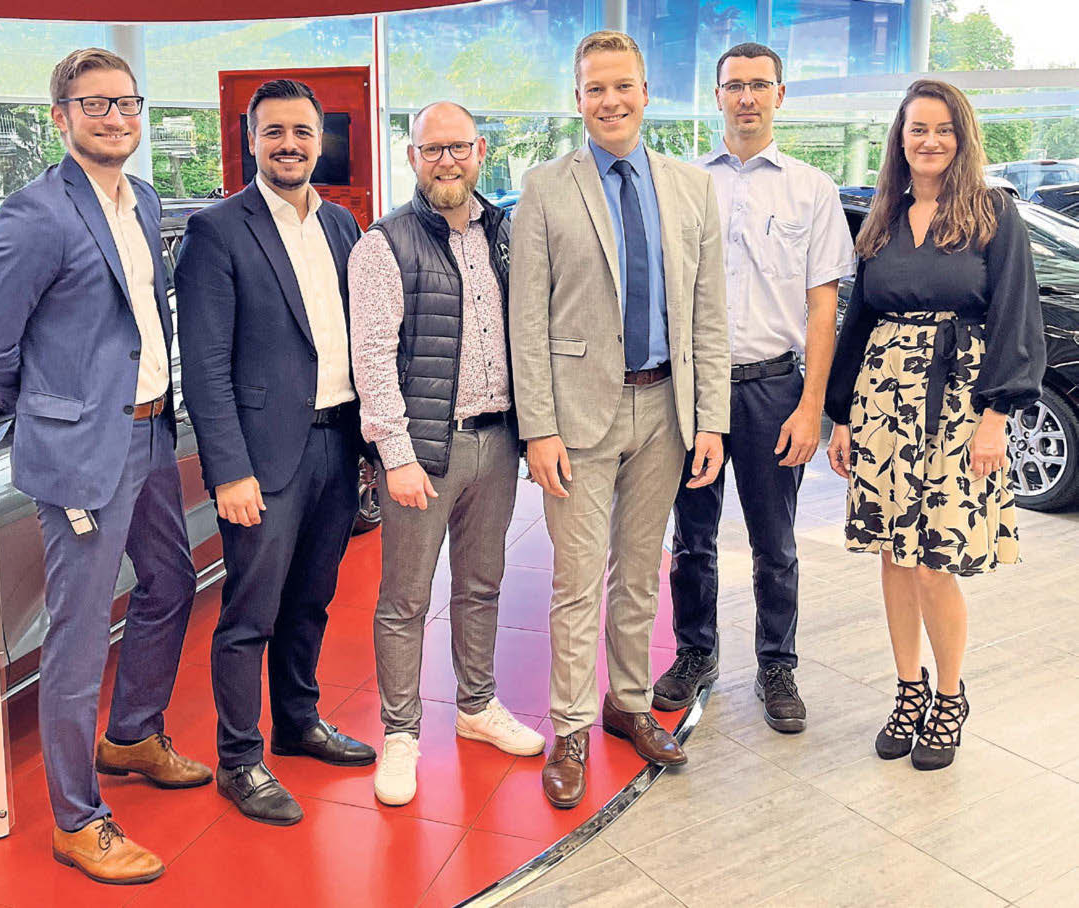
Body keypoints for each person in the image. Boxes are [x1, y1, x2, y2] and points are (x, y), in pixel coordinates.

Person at [0, 48, 210, 885]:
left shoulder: (142, 197)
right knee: (74, 639)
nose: (114, 118)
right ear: (59, 117)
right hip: (81, 451)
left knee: (171, 584)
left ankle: (132, 735)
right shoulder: (35, 213)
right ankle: (78, 820)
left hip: (147, 436)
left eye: (126, 104)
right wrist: (58, 408)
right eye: (93, 105)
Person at [510, 30, 730, 808]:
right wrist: (536, 428)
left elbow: (707, 312)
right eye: (594, 88)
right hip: (575, 420)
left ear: (646, 94)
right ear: (577, 99)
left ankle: (626, 704)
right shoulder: (543, 188)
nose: (609, 101)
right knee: (575, 582)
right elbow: (524, 320)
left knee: (638, 576)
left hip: (666, 411)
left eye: (622, 87)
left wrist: (711, 421)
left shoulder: (689, 187)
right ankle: (569, 725)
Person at [824, 79, 1045, 770]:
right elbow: (857, 321)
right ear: (899, 138)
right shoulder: (883, 218)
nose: (929, 140)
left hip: (957, 401)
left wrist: (994, 417)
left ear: (961, 136)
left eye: (943, 128)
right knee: (893, 553)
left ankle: (949, 695)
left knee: (932, 562)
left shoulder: (991, 213)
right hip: (880, 400)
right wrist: (839, 415)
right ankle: (907, 688)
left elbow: (1016, 314)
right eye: (917, 128)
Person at [174, 79, 374, 825]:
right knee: (249, 614)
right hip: (260, 461)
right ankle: (238, 758)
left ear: (320, 141)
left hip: (334, 444)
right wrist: (228, 470)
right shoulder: (217, 230)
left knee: (311, 602)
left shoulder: (342, 228)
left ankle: (298, 723)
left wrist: (369, 447)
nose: (288, 144)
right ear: (250, 141)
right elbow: (204, 365)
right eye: (273, 132)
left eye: (301, 131)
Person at [653, 43, 855, 733]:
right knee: (691, 539)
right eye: (732, 85)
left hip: (774, 388)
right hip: (693, 391)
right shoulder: (680, 182)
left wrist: (812, 409)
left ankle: (776, 664)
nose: (745, 97)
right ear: (715, 97)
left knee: (775, 544)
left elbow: (823, 310)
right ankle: (695, 654)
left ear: (779, 95)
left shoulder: (810, 188)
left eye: (758, 85)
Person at [348, 101, 544, 807]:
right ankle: (401, 734)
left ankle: (476, 705)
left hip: (497, 442)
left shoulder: (506, 234)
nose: (446, 162)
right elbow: (370, 359)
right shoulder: (384, 245)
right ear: (412, 158)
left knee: (481, 585)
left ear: (480, 151)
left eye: (457, 148)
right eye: (431, 150)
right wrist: (394, 454)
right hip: (424, 453)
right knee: (403, 600)